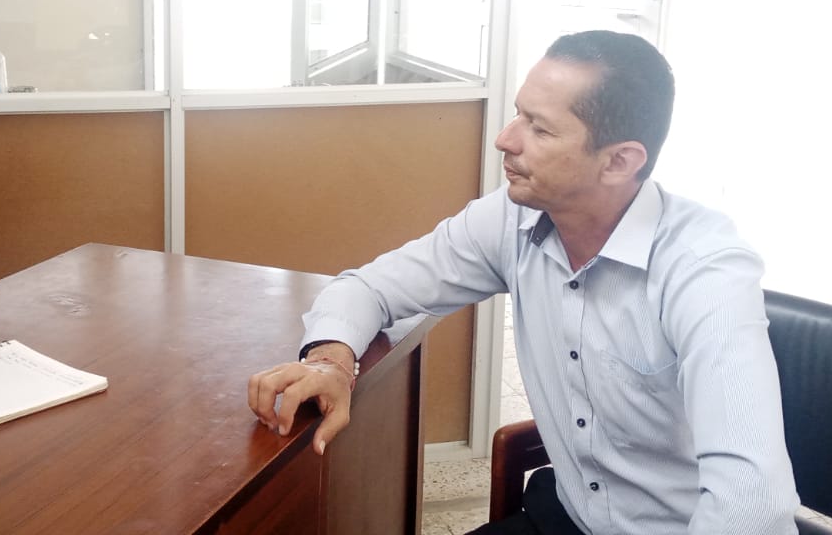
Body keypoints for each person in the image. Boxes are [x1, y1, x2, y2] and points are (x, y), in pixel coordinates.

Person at [248, 31, 800, 534]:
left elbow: (753, 505)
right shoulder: (512, 218)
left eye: (540, 128)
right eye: (518, 114)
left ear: (619, 162)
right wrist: (331, 362)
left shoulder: (703, 269)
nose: (505, 139)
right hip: (569, 516)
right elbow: (367, 288)